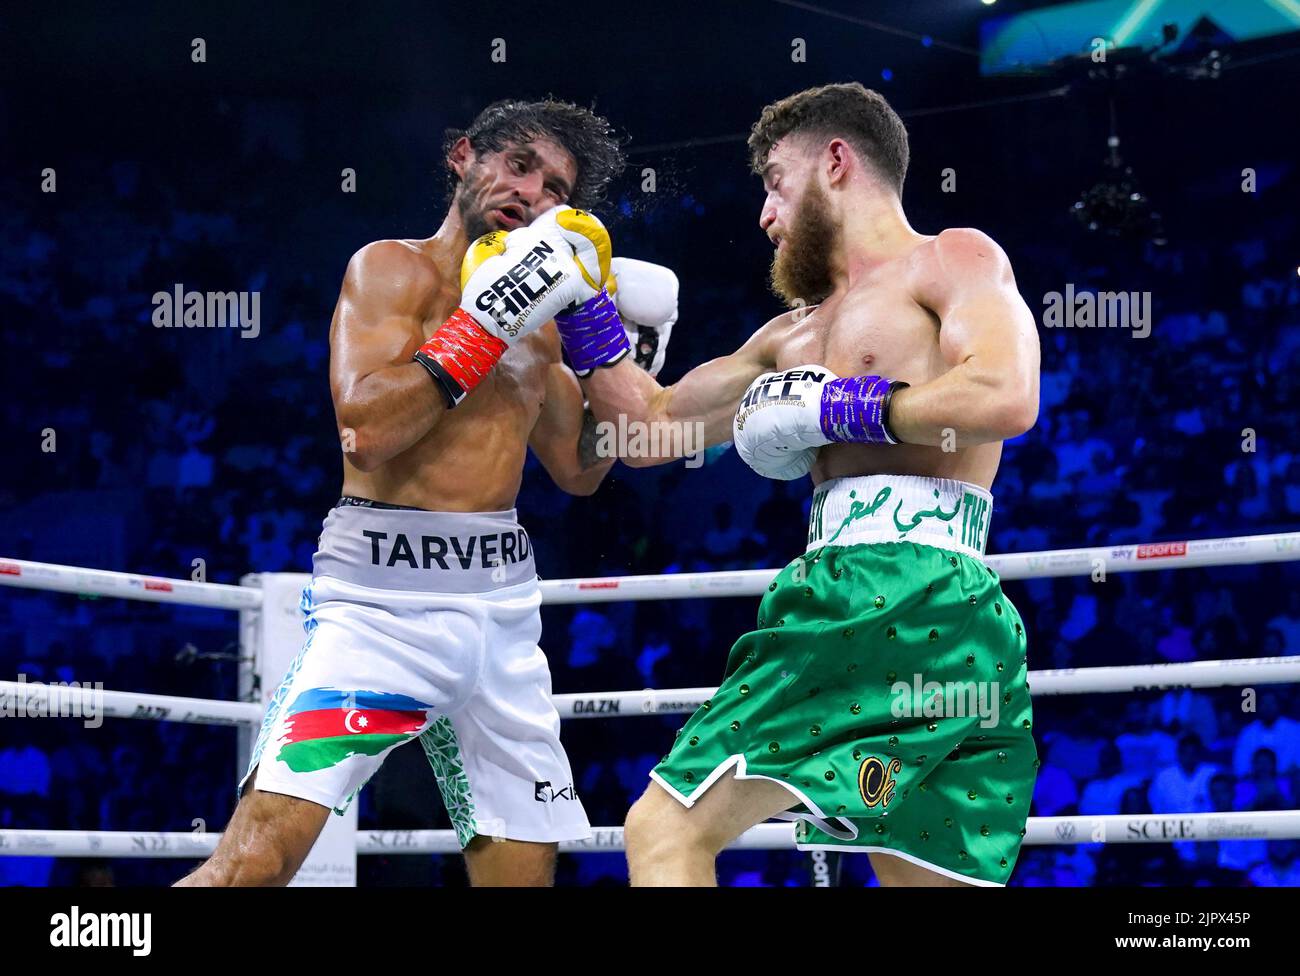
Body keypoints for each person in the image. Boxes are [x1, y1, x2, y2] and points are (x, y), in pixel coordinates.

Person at [178, 99, 678, 887]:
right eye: (518, 166)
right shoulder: (391, 269)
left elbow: (581, 470)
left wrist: (620, 351)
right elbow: (366, 430)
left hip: (502, 619)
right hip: (378, 610)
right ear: (463, 157)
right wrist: (487, 321)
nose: (531, 193)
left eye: (554, 188)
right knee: (250, 868)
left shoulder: (545, 325)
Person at [551, 82, 1040, 886]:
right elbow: (645, 431)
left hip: (888, 594)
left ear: (837, 162)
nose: (765, 216)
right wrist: (587, 314)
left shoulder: (953, 258)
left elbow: (1004, 397)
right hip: (949, 630)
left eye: (776, 183)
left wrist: (841, 405)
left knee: (664, 832)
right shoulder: (788, 334)